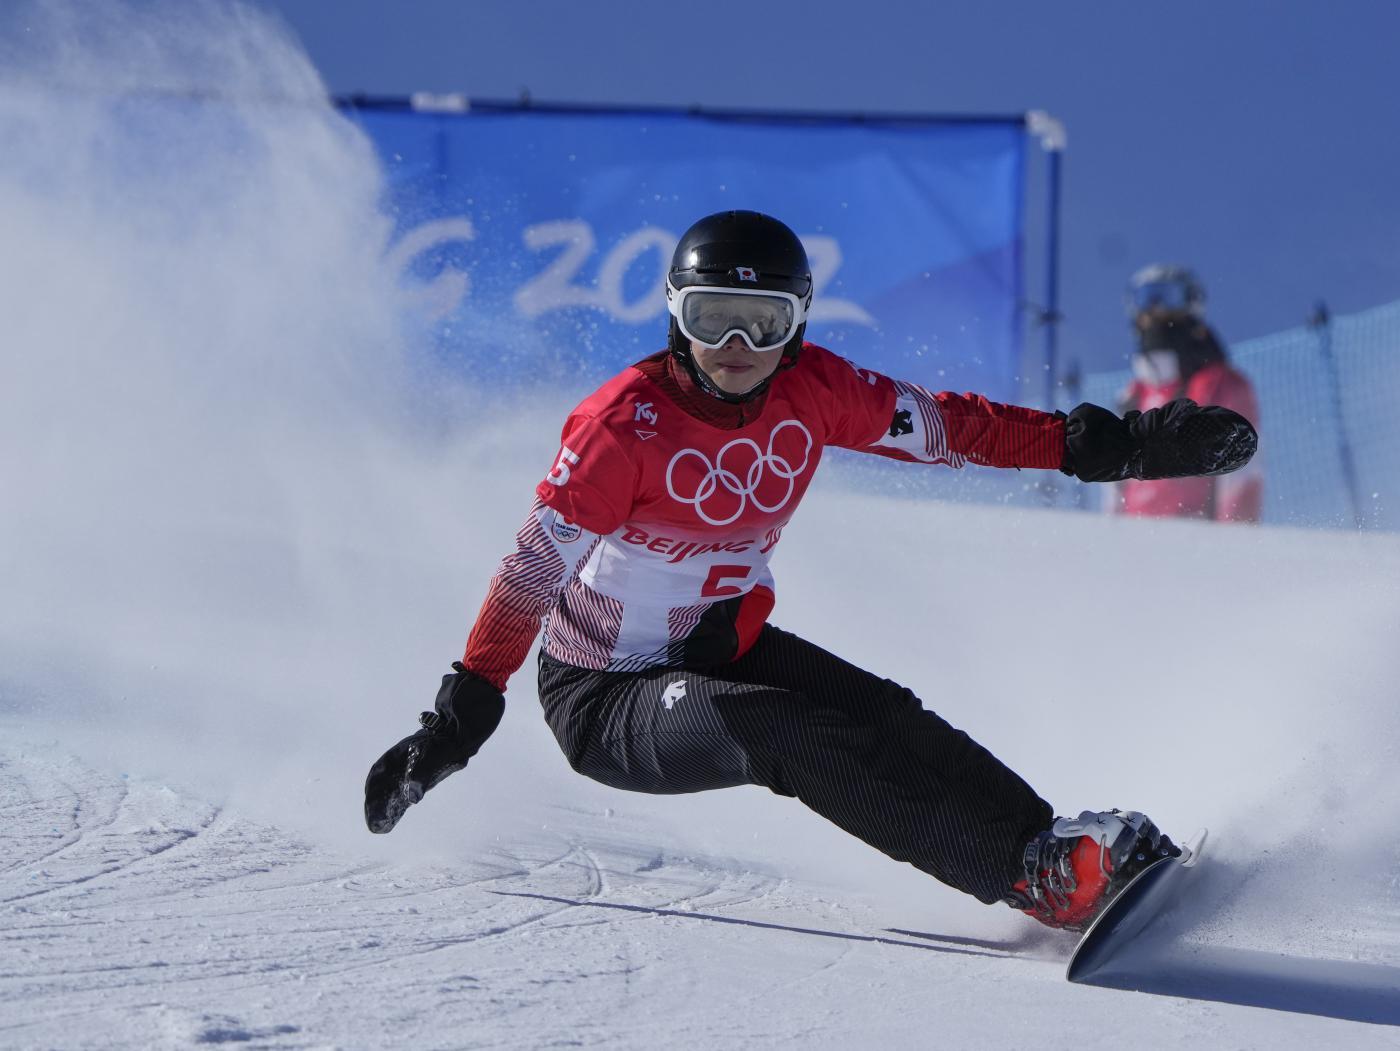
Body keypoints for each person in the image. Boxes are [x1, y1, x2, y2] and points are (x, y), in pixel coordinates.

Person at [364, 211, 1256, 932]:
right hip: (604, 695)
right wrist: (457, 720)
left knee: (884, 714)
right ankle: (1028, 877)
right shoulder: (619, 428)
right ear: (676, 314)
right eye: (714, 317)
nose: (738, 345)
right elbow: (529, 573)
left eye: (767, 321)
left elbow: (952, 427)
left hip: (723, 648)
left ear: (799, 323)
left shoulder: (814, 391)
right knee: (786, 730)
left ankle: (1051, 847)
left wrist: (1110, 445)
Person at [1115, 264, 1263, 522]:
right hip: (1132, 544)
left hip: (1196, 541)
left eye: (1169, 298)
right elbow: (1114, 487)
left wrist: (1235, 547)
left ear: (1192, 306)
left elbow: (1242, 478)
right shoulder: (1131, 395)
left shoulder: (1223, 385)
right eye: (1146, 299)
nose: (1156, 309)